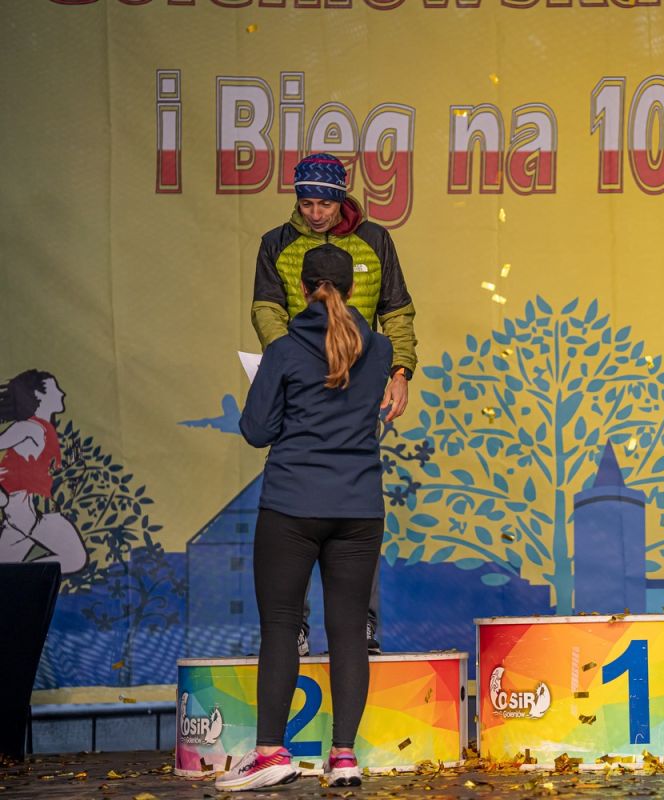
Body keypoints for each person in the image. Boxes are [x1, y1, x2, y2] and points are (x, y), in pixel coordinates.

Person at [218, 244, 391, 791]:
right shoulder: (381, 349)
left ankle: (271, 753)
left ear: (301, 289)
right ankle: (344, 757)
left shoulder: (285, 350)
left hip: (292, 505)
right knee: (349, 632)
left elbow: (256, 430)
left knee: (280, 626)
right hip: (359, 508)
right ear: (354, 289)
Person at [252, 152, 417, 655]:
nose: (316, 213)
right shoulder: (277, 243)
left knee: (355, 495)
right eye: (307, 203)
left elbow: (397, 310)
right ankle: (295, 626)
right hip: (302, 382)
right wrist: (290, 360)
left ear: (341, 199)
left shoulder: (374, 240)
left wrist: (400, 371)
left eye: (324, 203)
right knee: (296, 498)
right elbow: (266, 308)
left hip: (357, 381)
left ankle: (361, 623)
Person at [0, 370, 87, 575]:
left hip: (24, 511)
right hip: (30, 510)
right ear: (39, 395)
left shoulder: (45, 429)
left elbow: (41, 472)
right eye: (55, 389)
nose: (62, 393)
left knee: (5, 565)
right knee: (75, 558)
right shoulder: (28, 428)